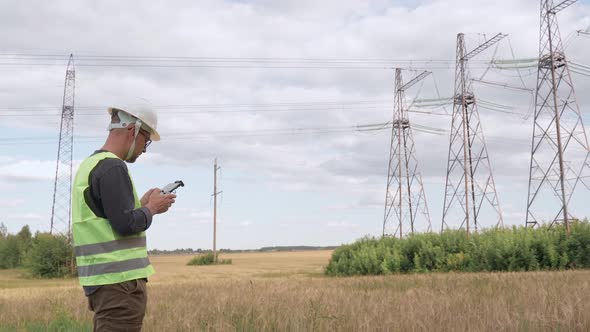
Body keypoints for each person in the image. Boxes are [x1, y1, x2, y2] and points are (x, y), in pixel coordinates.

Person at [71, 105, 176, 331]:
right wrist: (152, 209)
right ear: (132, 131)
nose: (144, 150)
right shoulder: (113, 167)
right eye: (145, 140)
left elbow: (109, 217)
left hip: (102, 283)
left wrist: (142, 205)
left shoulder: (91, 164)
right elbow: (125, 224)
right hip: (119, 284)